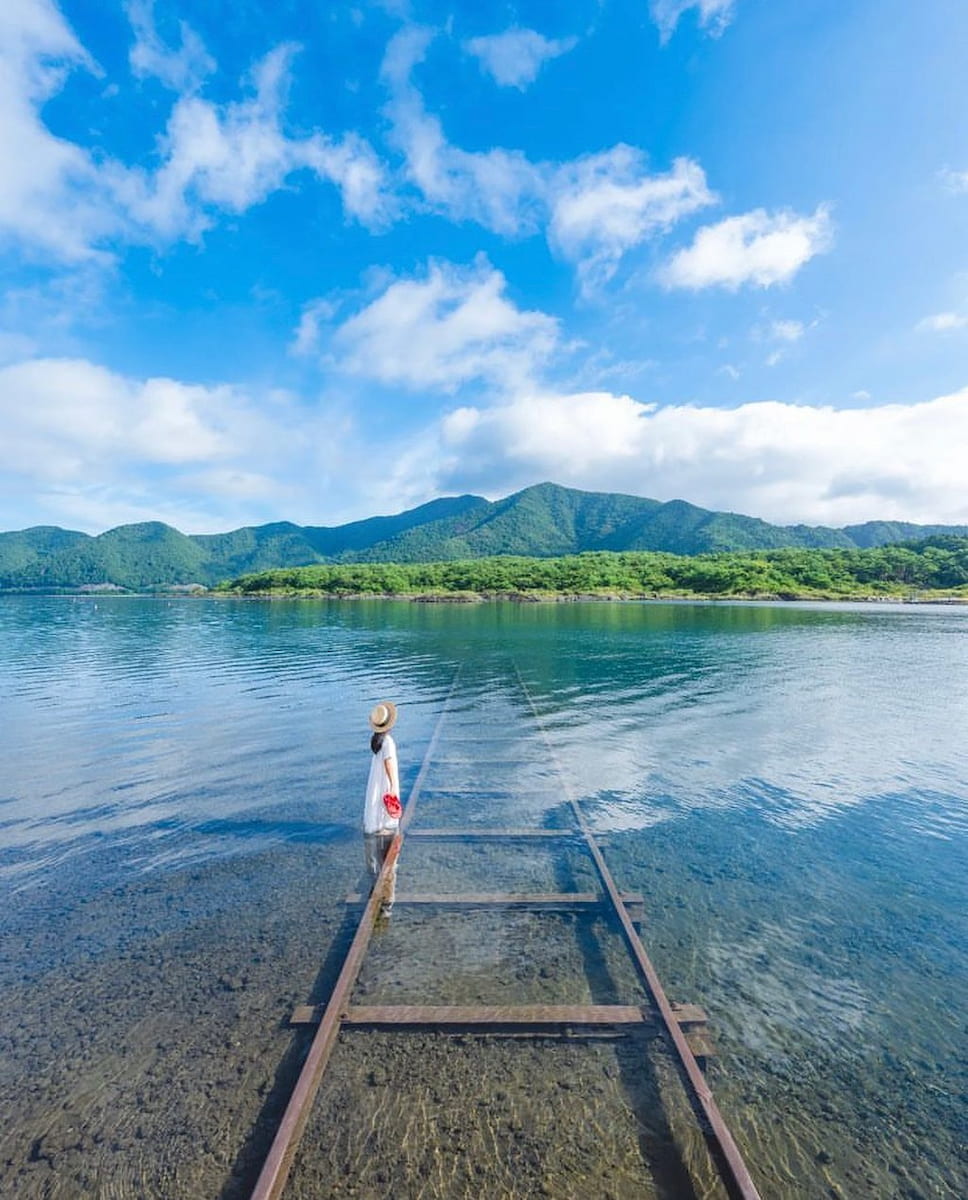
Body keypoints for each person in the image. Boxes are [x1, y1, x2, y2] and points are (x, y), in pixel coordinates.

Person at [362, 701, 400, 908]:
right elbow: (389, 764)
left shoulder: (376, 740)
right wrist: (394, 788)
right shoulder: (389, 742)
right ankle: (387, 901)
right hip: (385, 786)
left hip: (375, 789)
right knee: (390, 859)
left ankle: (376, 888)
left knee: (375, 848)